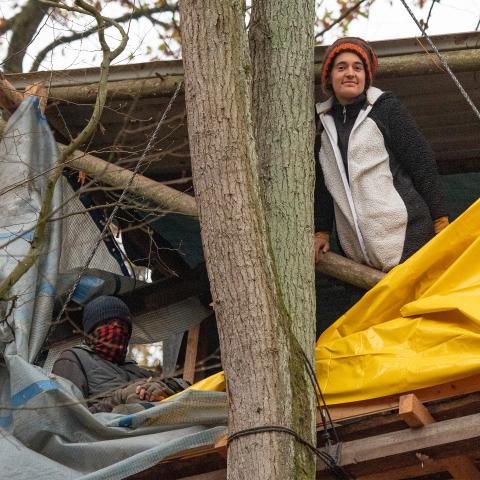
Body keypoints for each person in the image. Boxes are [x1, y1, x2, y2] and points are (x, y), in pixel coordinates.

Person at [314, 37, 449, 273]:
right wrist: (322, 231)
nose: (350, 73)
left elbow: (421, 160)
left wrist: (440, 218)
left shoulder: (385, 108)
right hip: (359, 255)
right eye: (341, 67)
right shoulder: (320, 125)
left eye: (358, 67)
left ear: (366, 77)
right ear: (328, 76)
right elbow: (324, 185)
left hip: (409, 237)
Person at [52, 295, 189, 413]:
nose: (117, 329)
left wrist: (163, 387)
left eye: (122, 325)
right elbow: (68, 422)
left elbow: (186, 387)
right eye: (107, 323)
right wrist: (120, 398)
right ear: (90, 332)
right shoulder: (73, 359)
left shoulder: (137, 371)